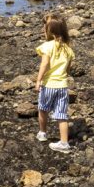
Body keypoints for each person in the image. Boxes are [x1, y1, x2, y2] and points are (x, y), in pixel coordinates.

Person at [35, 13, 75, 153]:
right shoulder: (68, 49)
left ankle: (42, 133)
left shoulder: (48, 46)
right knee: (61, 115)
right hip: (62, 86)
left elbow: (44, 64)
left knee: (43, 108)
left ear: (49, 31)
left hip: (49, 85)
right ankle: (64, 143)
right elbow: (68, 70)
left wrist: (39, 80)